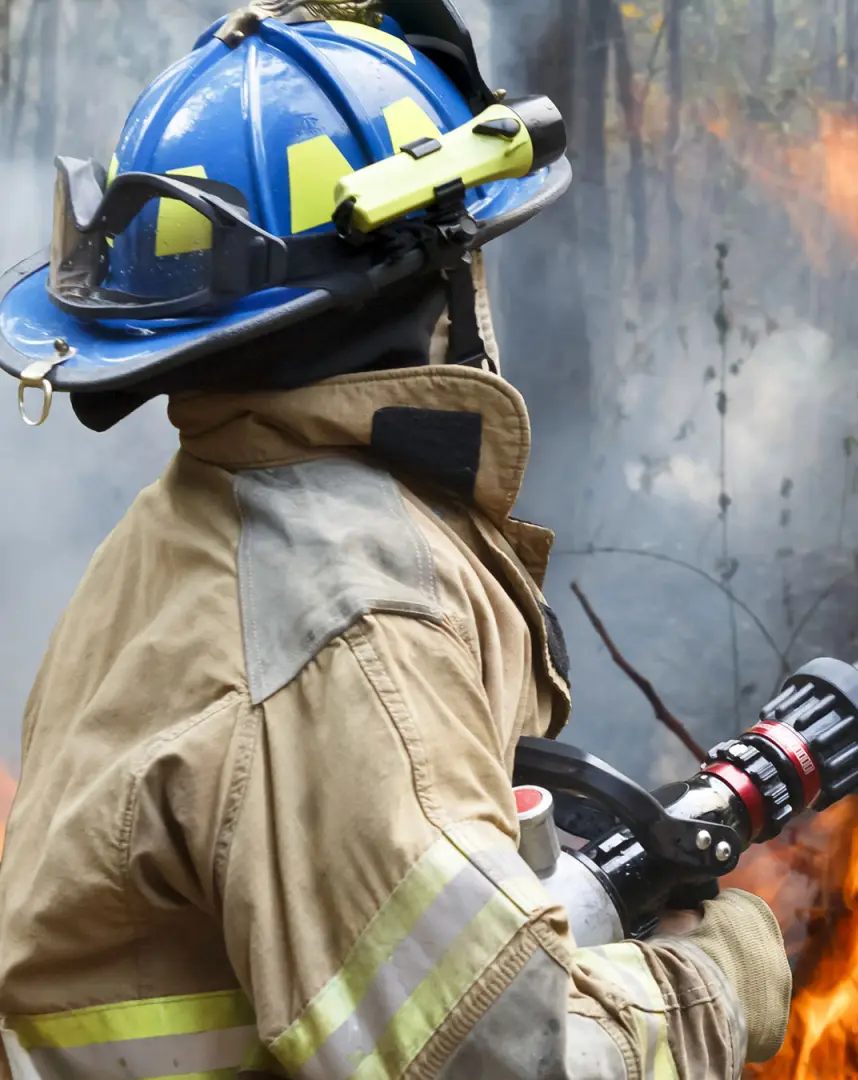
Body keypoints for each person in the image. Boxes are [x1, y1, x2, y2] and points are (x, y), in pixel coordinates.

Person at [0, 2, 792, 1077]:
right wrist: (725, 977)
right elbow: (514, 1065)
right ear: (432, 282)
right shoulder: (352, 623)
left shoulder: (185, 529)